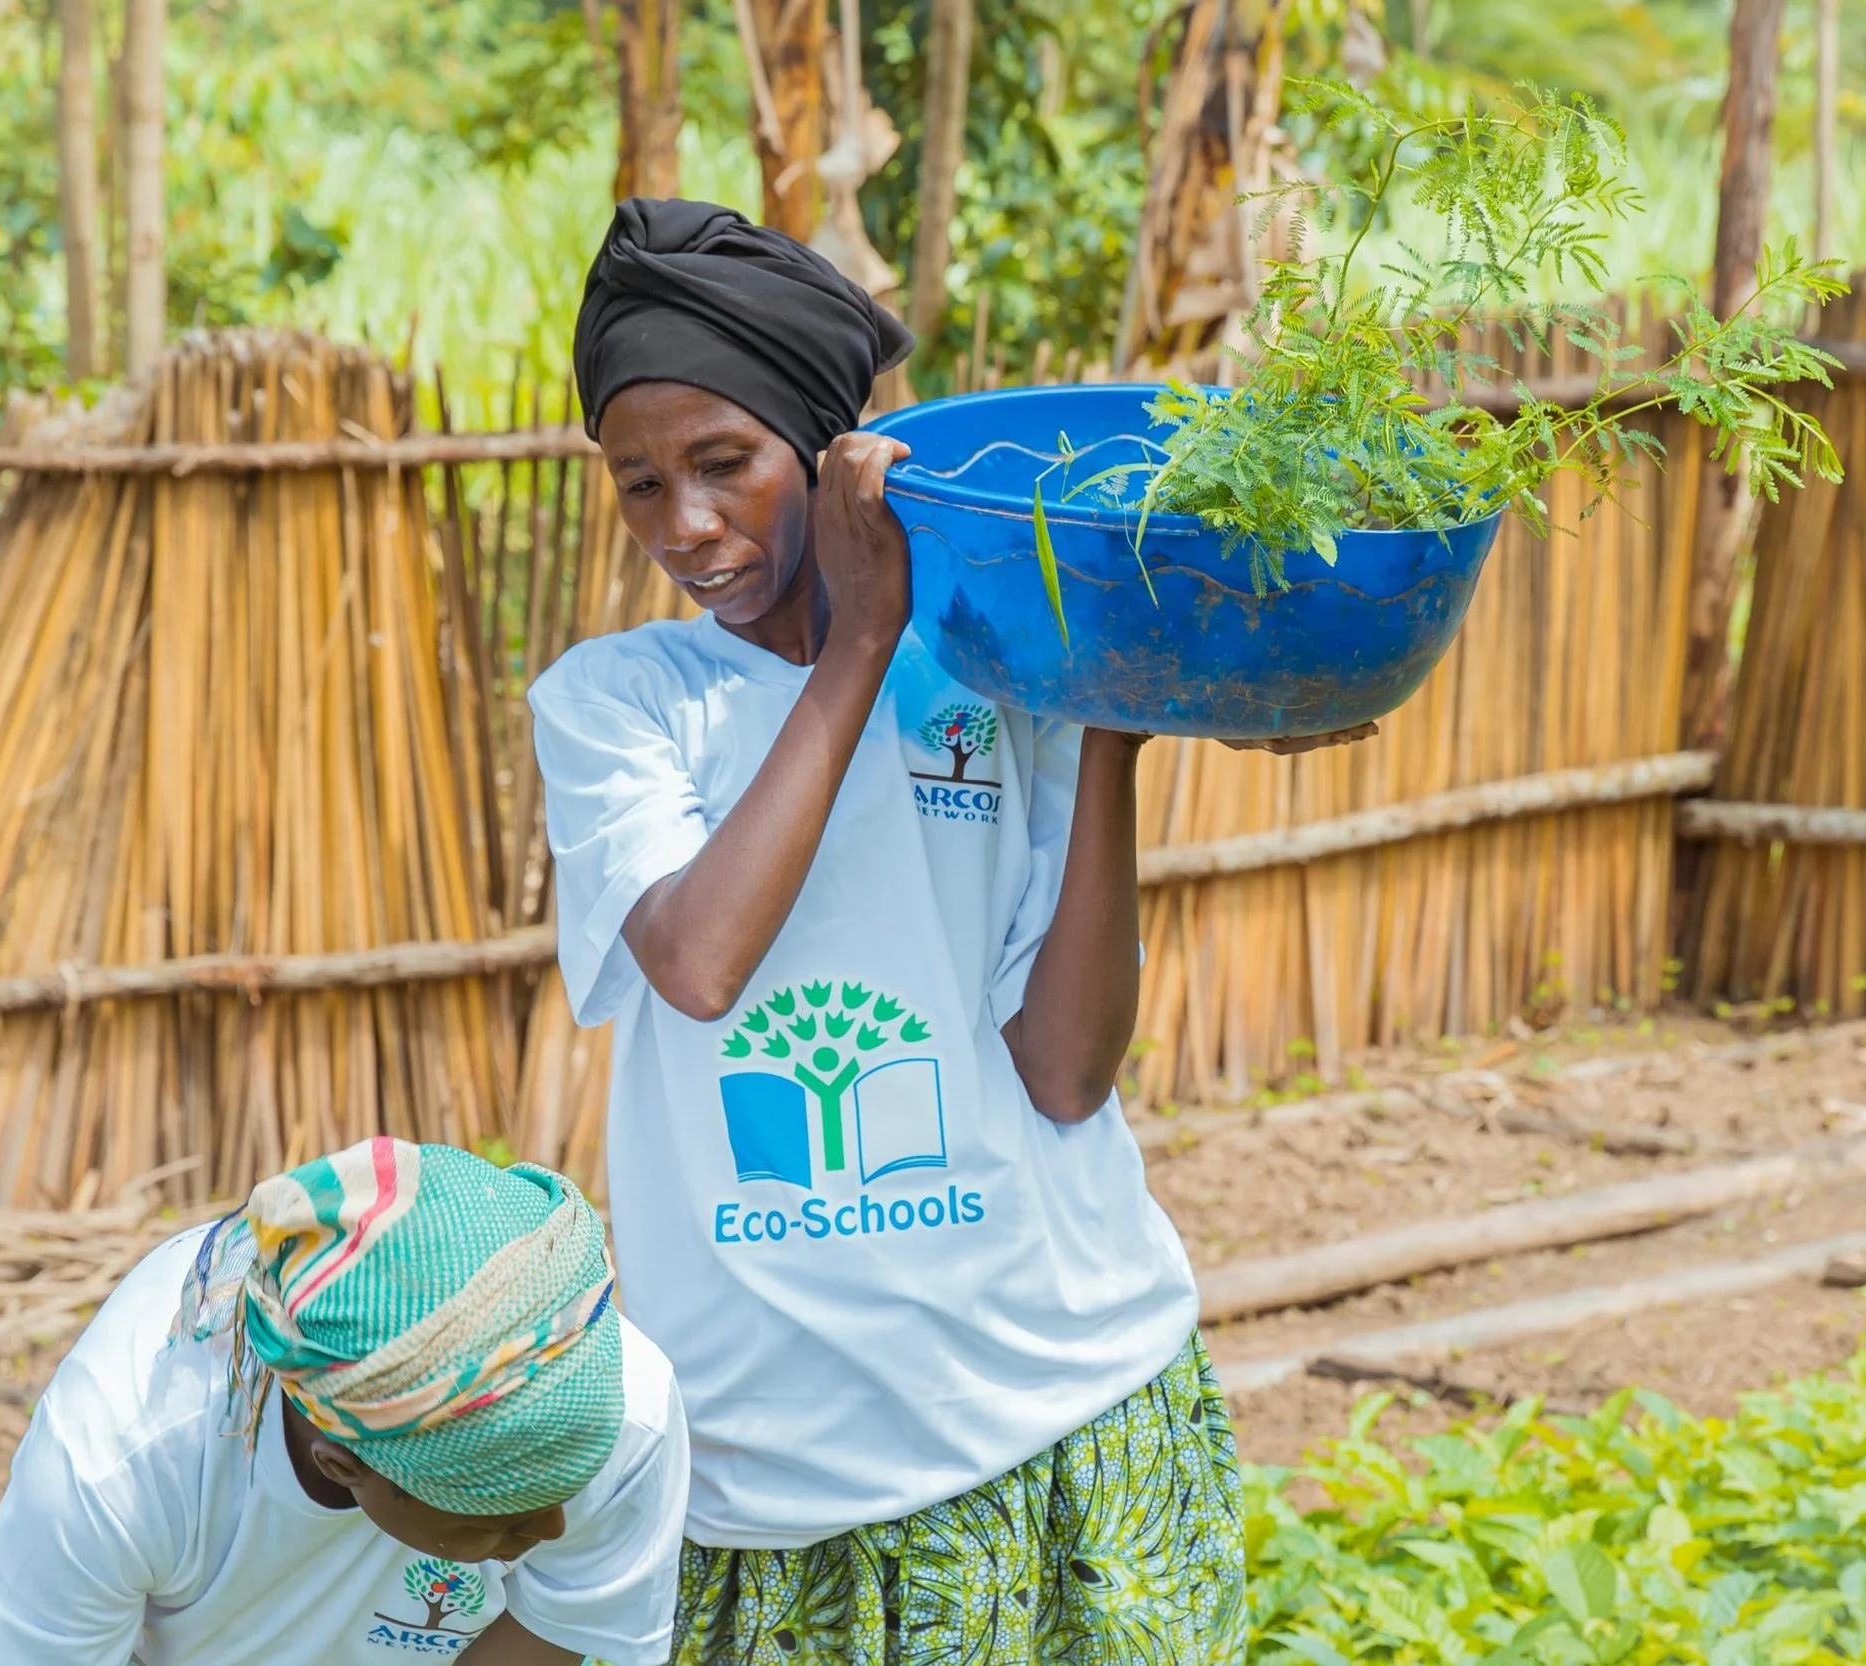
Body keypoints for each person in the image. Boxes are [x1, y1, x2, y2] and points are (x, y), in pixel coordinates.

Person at [530, 198, 1371, 1664]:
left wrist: (1110, 732)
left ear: (821, 447)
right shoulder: (620, 703)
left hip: (1061, 1397)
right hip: (773, 1465)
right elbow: (698, 960)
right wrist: (858, 638)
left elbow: (1063, 1071)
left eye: (723, 464)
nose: (688, 525)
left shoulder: (996, 675)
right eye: (640, 484)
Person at [0, 1137, 689, 1665]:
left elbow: (558, 1627)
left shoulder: (624, 1413)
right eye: (506, 1517)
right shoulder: (119, 1465)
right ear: (342, 1463)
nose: (558, 1529)